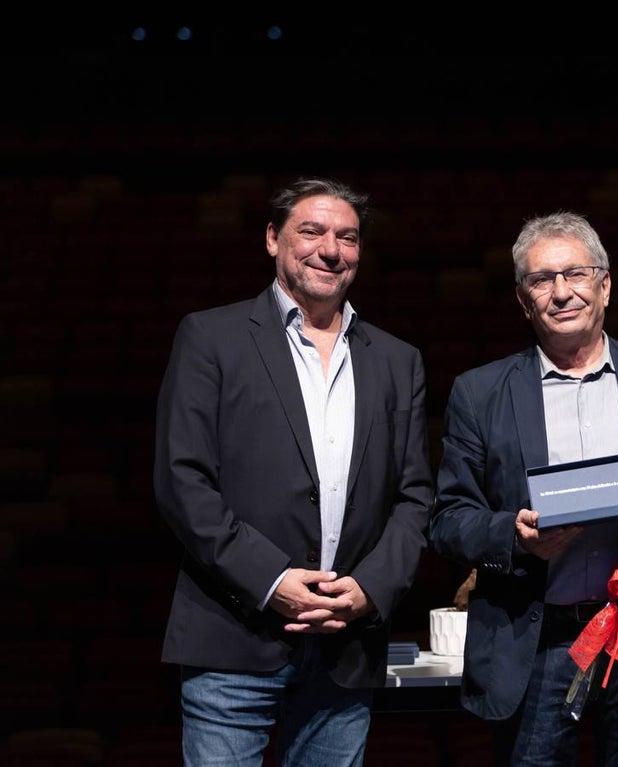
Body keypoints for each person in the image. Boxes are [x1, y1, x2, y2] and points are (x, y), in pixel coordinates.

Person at [153, 177, 434, 766]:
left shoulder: (396, 359)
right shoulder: (211, 337)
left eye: (348, 237)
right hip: (233, 638)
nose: (331, 249)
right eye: (312, 231)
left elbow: (414, 498)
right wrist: (271, 580)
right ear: (272, 239)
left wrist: (369, 589)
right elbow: (183, 481)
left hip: (347, 646)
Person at [428, 211, 618, 765]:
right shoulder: (479, 392)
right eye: (542, 280)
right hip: (534, 643)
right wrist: (514, 537)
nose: (561, 292)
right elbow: (447, 521)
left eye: (576, 274)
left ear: (605, 285)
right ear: (523, 299)